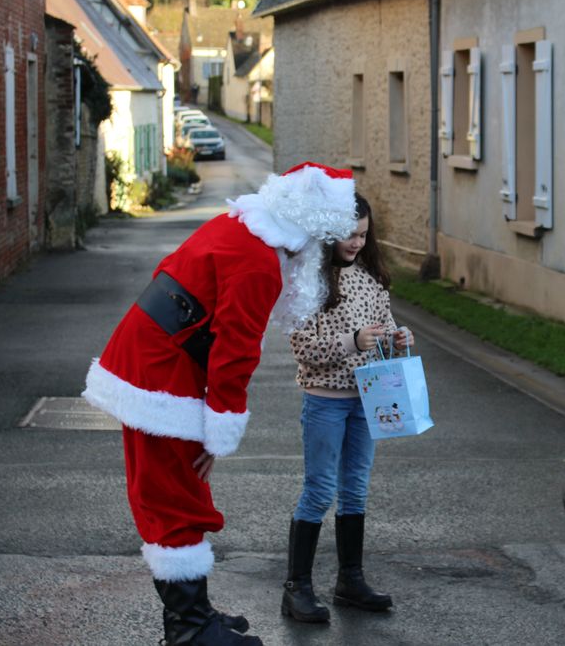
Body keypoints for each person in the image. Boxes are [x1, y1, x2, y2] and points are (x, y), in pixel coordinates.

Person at [82, 162, 358, 645]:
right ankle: (191, 631)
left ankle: (194, 615)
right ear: (309, 227)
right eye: (324, 238)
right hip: (161, 375)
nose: (322, 251)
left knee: (173, 490)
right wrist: (217, 433)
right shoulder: (259, 263)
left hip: (155, 363)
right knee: (174, 498)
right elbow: (235, 353)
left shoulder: (242, 226)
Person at [282, 193, 413, 623]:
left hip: (366, 399)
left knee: (355, 489)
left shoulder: (372, 279)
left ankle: (350, 581)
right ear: (328, 235)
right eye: (349, 235)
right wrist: (352, 342)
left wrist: (398, 339)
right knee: (320, 489)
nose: (357, 243)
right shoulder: (310, 282)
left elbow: (385, 329)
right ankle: (297, 588)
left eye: (363, 234)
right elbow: (303, 349)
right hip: (325, 400)